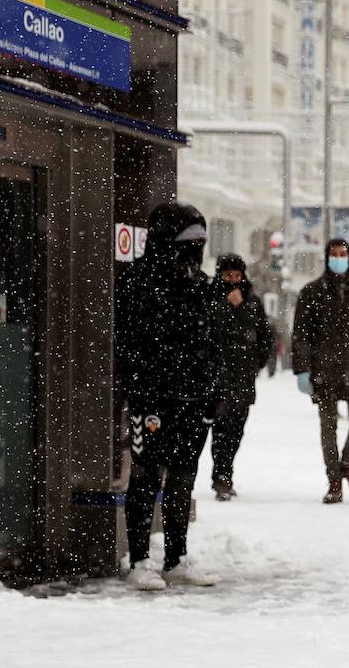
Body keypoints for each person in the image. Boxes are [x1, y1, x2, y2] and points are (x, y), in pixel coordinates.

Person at [116, 202, 218, 590]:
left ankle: (177, 556)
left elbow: (210, 343)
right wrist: (143, 386)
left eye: (200, 242)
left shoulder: (201, 285)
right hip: (152, 398)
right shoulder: (137, 282)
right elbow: (130, 343)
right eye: (188, 242)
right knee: (145, 477)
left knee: (183, 478)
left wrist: (212, 390)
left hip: (192, 398)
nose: (195, 250)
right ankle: (140, 558)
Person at [291, 239, 349, 503]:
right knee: (328, 426)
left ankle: (348, 465)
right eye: (334, 255)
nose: (339, 259)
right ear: (327, 258)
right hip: (325, 369)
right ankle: (334, 479)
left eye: (343, 254)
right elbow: (301, 335)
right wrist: (302, 370)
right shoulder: (311, 292)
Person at [208, 254, 274, 501]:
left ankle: (226, 472)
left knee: (236, 431)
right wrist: (227, 307)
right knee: (221, 430)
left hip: (243, 380)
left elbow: (265, 337)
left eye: (237, 275)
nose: (233, 280)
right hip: (219, 379)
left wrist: (256, 365)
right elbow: (212, 331)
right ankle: (221, 477)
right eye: (228, 276)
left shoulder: (253, 302)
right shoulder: (212, 299)